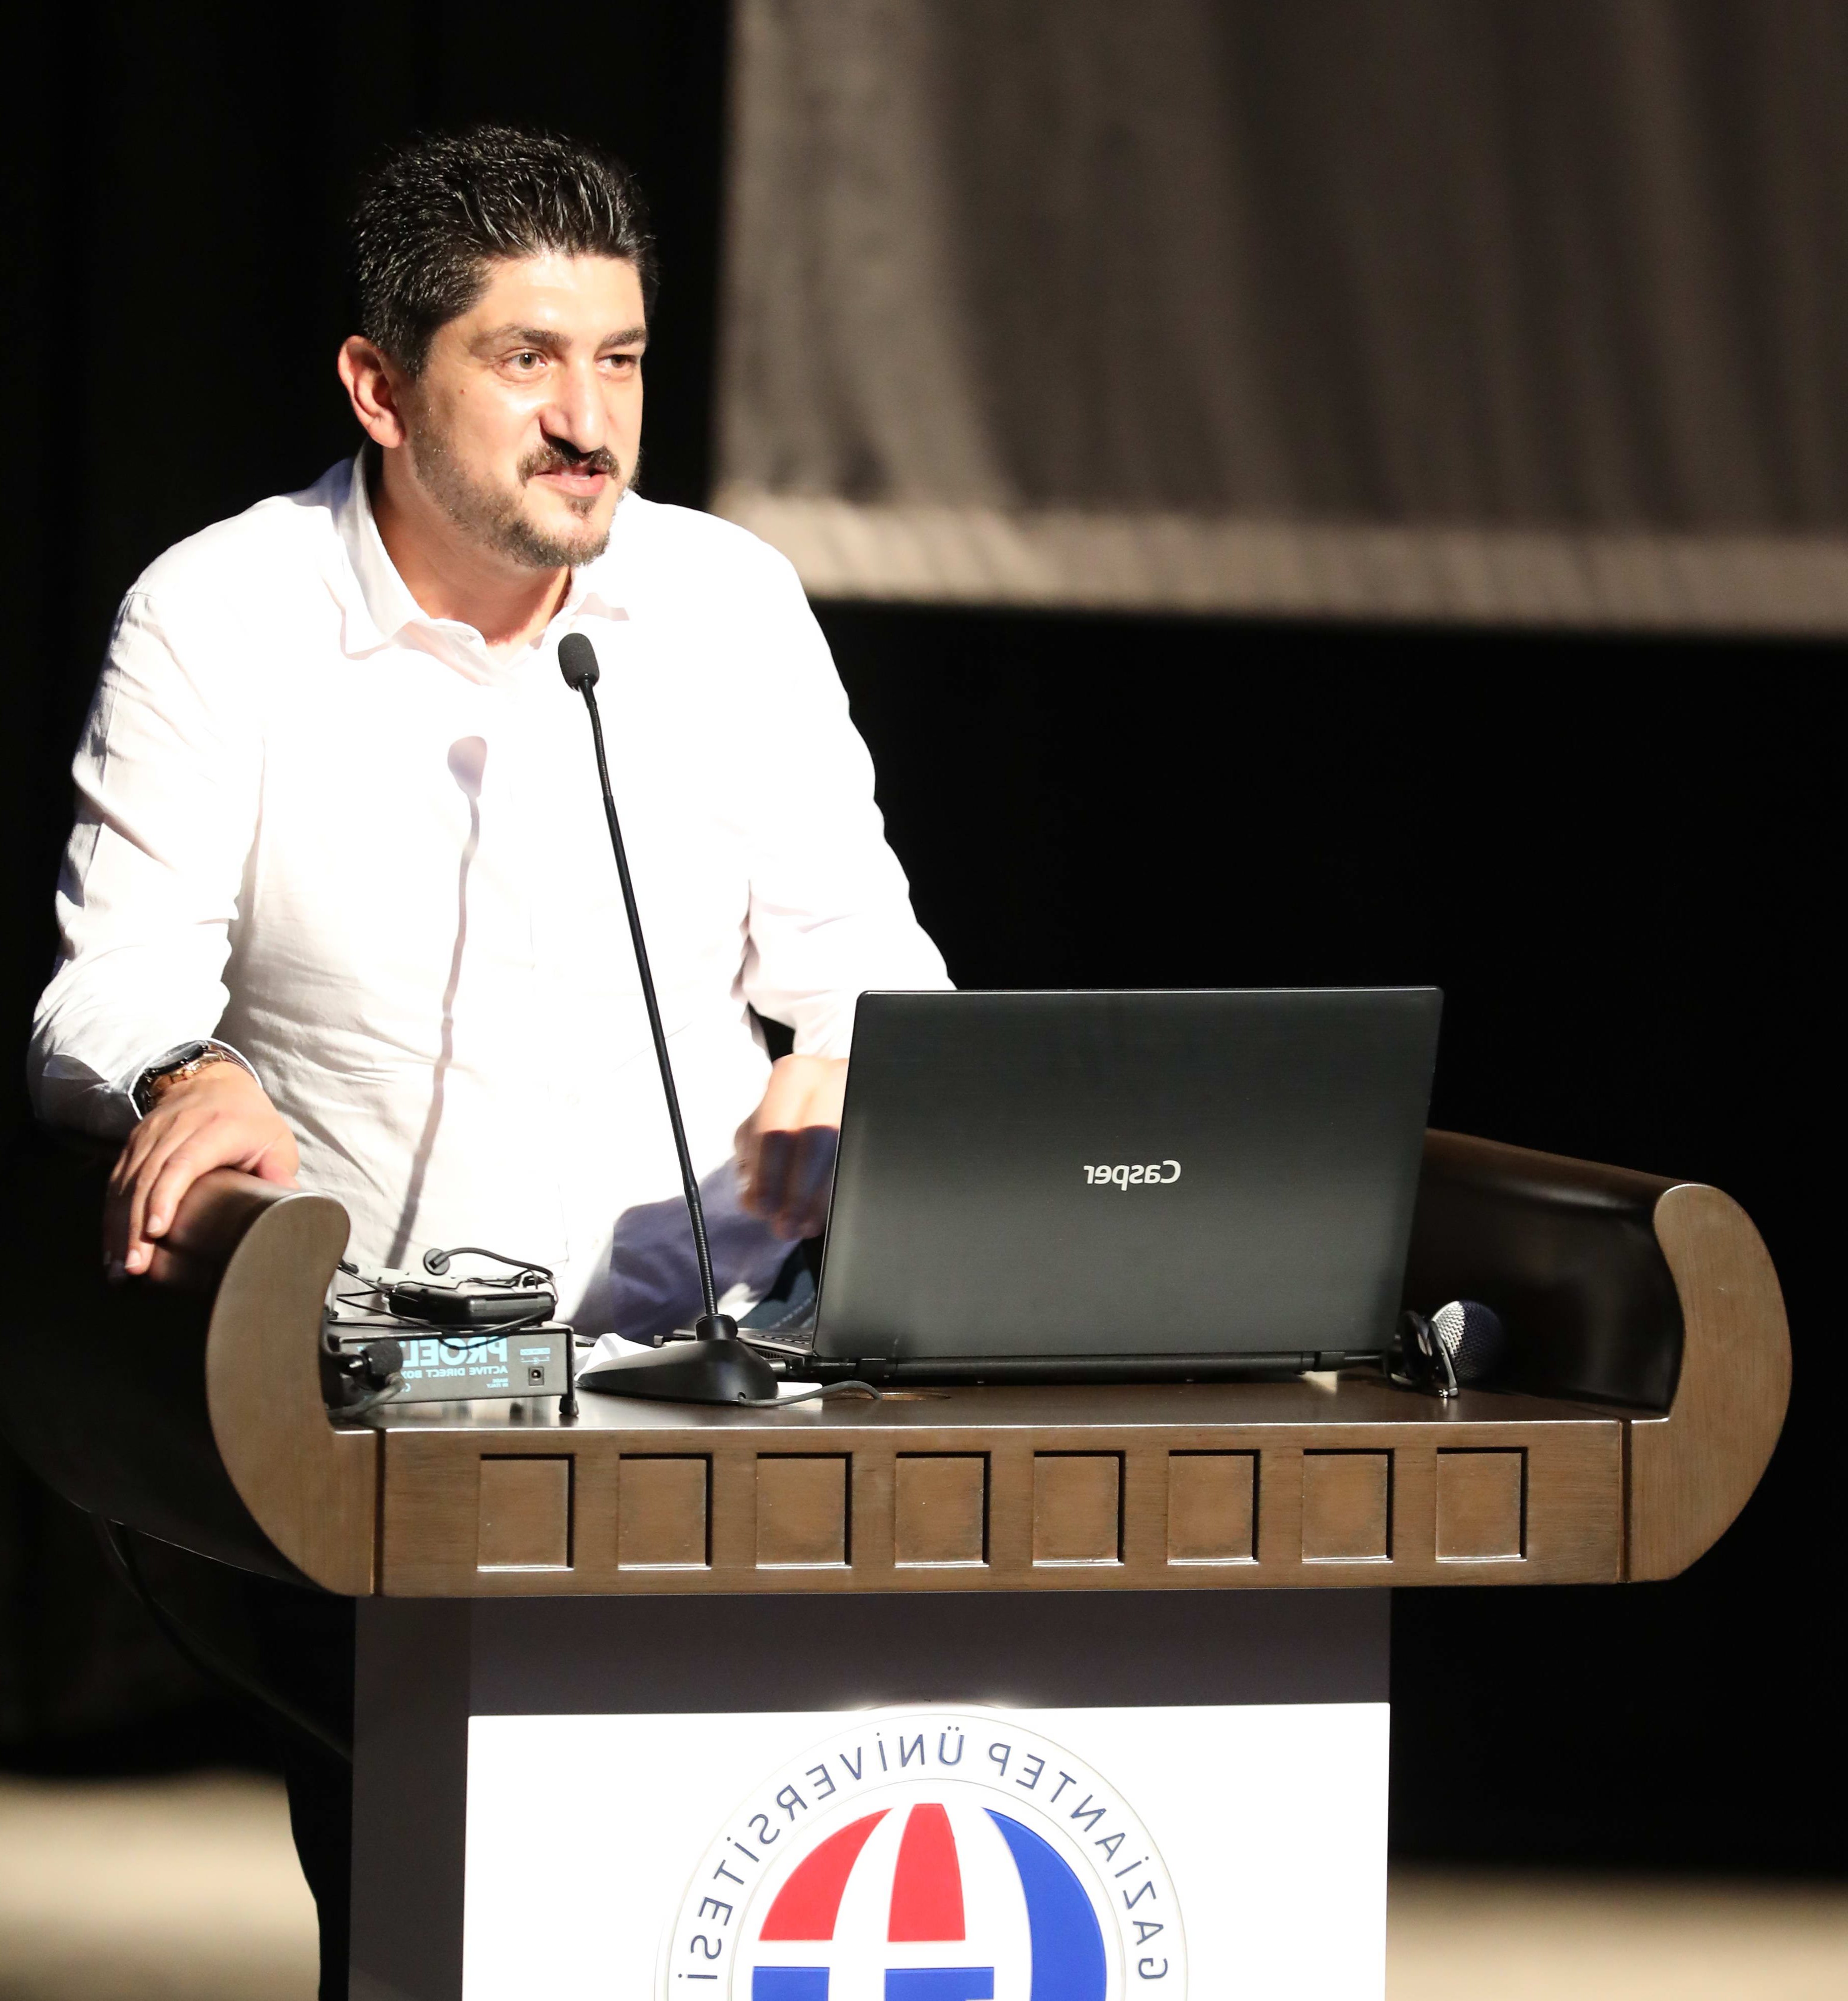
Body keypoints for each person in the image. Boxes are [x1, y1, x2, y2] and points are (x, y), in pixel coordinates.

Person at [26, 125, 949, 1996]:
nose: (587, 422)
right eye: (524, 360)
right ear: (379, 386)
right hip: (394, 1418)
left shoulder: (726, 603)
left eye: (618, 359)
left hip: (714, 1397)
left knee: (726, 1924)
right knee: (442, 1936)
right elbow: (104, 988)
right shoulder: (222, 612)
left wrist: (840, 1093)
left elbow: (870, 978)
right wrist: (185, 1077)